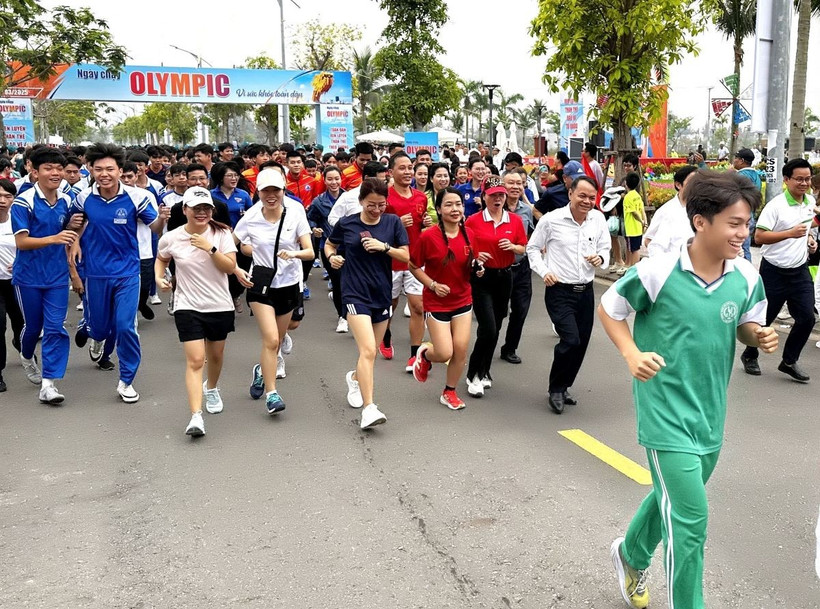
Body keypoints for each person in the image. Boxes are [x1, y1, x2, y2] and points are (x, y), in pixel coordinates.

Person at [598, 170, 776, 609]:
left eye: (747, 222)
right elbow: (610, 306)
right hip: (664, 414)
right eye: (734, 223)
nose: (744, 232)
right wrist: (631, 354)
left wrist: (758, 336)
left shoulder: (746, 278)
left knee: (670, 500)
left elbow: (743, 324)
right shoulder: (659, 271)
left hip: (709, 415)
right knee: (691, 520)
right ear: (701, 221)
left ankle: (629, 554)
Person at [69, 143, 167, 404]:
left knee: (125, 326)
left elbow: (154, 227)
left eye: (110, 169)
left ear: (119, 170)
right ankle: (92, 330)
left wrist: (163, 218)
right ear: (90, 169)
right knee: (100, 329)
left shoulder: (136, 197)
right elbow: (74, 225)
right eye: (98, 169)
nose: (104, 174)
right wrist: (76, 239)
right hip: (96, 273)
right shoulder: (83, 198)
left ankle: (126, 380)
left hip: (127, 272)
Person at [325, 178, 409, 429]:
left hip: (382, 293)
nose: (376, 209)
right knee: (369, 350)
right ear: (361, 201)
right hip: (354, 293)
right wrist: (332, 258)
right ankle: (369, 408)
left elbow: (405, 255)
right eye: (371, 204)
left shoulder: (392, 222)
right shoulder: (347, 223)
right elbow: (331, 244)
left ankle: (354, 378)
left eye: (381, 204)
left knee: (368, 353)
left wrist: (384, 247)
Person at [155, 187, 238, 437]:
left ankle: (211, 388)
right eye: (196, 208)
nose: (201, 213)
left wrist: (209, 247)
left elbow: (230, 267)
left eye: (206, 208)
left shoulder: (221, 234)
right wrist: (160, 278)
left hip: (219, 304)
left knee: (215, 356)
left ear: (212, 211)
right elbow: (162, 258)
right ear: (185, 210)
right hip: (187, 305)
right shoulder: (171, 237)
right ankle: (196, 416)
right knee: (195, 360)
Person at [527, 175, 611, 413]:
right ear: (571, 194)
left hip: (585, 292)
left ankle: (564, 386)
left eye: (591, 198)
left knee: (581, 343)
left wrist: (601, 258)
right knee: (570, 339)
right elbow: (532, 248)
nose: (586, 201)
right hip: (559, 290)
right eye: (582, 196)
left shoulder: (597, 219)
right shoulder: (552, 220)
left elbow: (605, 248)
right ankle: (555, 388)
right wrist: (544, 271)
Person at [233, 169, 313, 415]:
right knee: (270, 340)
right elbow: (231, 244)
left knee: (277, 342)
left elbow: (310, 251)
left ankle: (261, 370)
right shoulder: (251, 216)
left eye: (275, 190)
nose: (271, 196)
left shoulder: (295, 212)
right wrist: (237, 269)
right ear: (258, 191)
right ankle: (272, 393)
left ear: (283, 190)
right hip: (261, 284)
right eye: (265, 191)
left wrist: (295, 253)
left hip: (288, 282)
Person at [11, 148, 81, 403]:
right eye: (48, 168)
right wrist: (55, 237)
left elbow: (67, 230)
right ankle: (27, 355)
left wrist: (71, 228)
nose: (55, 173)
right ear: (34, 171)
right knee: (33, 327)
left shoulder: (65, 199)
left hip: (56, 277)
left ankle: (49, 384)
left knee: (54, 328)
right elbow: (22, 242)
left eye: (58, 168)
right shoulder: (24, 201)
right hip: (27, 277)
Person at [740, 158, 816, 381]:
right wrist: (789, 234)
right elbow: (759, 236)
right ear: (786, 179)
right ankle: (750, 354)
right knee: (764, 318)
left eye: (808, 179)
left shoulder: (810, 201)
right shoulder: (776, 206)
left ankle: (789, 361)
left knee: (806, 318)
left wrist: (810, 240)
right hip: (774, 271)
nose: (804, 183)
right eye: (799, 179)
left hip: (799, 270)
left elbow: (806, 229)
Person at [410, 187, 485, 409]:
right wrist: (432, 284)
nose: (455, 209)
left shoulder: (469, 233)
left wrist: (478, 269)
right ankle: (424, 354)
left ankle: (449, 392)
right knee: (444, 353)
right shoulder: (428, 236)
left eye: (459, 204)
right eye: (449, 205)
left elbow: (473, 261)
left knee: (461, 349)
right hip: (436, 302)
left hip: (463, 299)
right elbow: (413, 266)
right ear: (439, 209)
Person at [463, 175, 528, 397]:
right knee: (488, 328)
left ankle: (485, 370)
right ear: (484, 196)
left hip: (505, 277)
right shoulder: (473, 221)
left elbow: (523, 248)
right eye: (493, 195)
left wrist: (512, 246)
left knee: (496, 326)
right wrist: (476, 255)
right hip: (482, 277)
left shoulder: (515, 221)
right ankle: (473, 374)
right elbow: (464, 248)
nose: (498, 199)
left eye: (501, 194)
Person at [382, 152, 431, 367]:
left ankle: (415, 354)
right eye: (402, 168)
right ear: (391, 172)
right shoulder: (385, 197)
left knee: (418, 307)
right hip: (391, 260)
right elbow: (376, 229)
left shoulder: (421, 197)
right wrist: (396, 223)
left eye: (410, 167)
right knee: (390, 305)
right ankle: (385, 334)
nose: (407, 172)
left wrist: (426, 223)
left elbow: (420, 226)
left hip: (415, 261)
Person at [499, 171, 535, 364]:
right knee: (497, 314)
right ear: (502, 186)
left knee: (520, 310)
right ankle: (487, 347)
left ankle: (510, 348)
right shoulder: (496, 209)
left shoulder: (526, 210)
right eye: (511, 183)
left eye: (519, 183)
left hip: (521, 267)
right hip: (498, 270)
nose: (515, 187)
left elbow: (531, 237)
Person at [308, 165, 347, 332]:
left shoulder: (350, 198)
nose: (334, 182)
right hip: (328, 247)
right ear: (324, 180)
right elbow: (310, 219)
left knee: (350, 282)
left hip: (349, 247)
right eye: (330, 179)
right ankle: (343, 317)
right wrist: (314, 228)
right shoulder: (318, 201)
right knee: (338, 283)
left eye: (336, 178)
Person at [0, 179, 24, 392]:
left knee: (21, 322)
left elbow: (29, 245)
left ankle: (20, 342)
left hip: (16, 281)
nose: (2, 201)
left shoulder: (17, 219)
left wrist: (19, 262)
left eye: (7, 196)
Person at [643, 165, 699, 257]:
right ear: (678, 185)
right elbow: (648, 240)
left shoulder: (703, 209)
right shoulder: (665, 211)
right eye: (691, 182)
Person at [732, 148, 762, 262]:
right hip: (750, 217)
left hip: (739, 219)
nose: (734, 161)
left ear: (742, 161)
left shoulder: (740, 176)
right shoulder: (756, 175)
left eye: (736, 158)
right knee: (745, 248)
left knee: (739, 250)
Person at [622, 172, 647, 267]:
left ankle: (633, 269)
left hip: (631, 229)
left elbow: (634, 212)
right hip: (638, 229)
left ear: (626, 183)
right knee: (636, 249)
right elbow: (642, 210)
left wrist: (642, 221)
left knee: (633, 250)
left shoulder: (627, 197)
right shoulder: (637, 195)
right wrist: (645, 223)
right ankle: (634, 268)